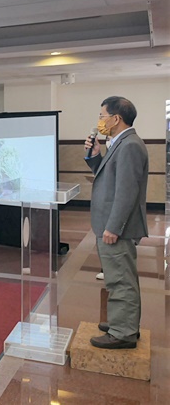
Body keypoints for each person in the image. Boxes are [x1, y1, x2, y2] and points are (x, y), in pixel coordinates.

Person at [84, 96, 148, 350]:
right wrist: (95, 156)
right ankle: (124, 324)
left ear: (116, 118)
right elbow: (108, 178)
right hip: (111, 224)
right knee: (119, 277)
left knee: (120, 280)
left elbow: (126, 192)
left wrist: (113, 227)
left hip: (117, 228)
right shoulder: (120, 143)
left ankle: (123, 333)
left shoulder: (129, 145)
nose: (100, 121)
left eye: (102, 116)